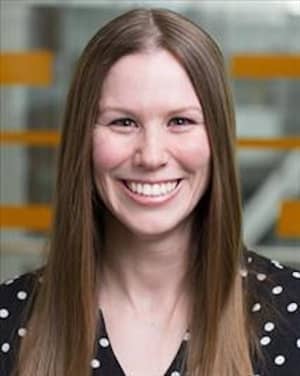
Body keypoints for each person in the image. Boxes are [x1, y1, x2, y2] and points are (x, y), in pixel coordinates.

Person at [0, 7, 299, 376]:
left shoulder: (294, 316)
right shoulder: (8, 321)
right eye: (123, 122)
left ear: (217, 140)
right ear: (83, 139)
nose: (152, 155)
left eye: (180, 121)